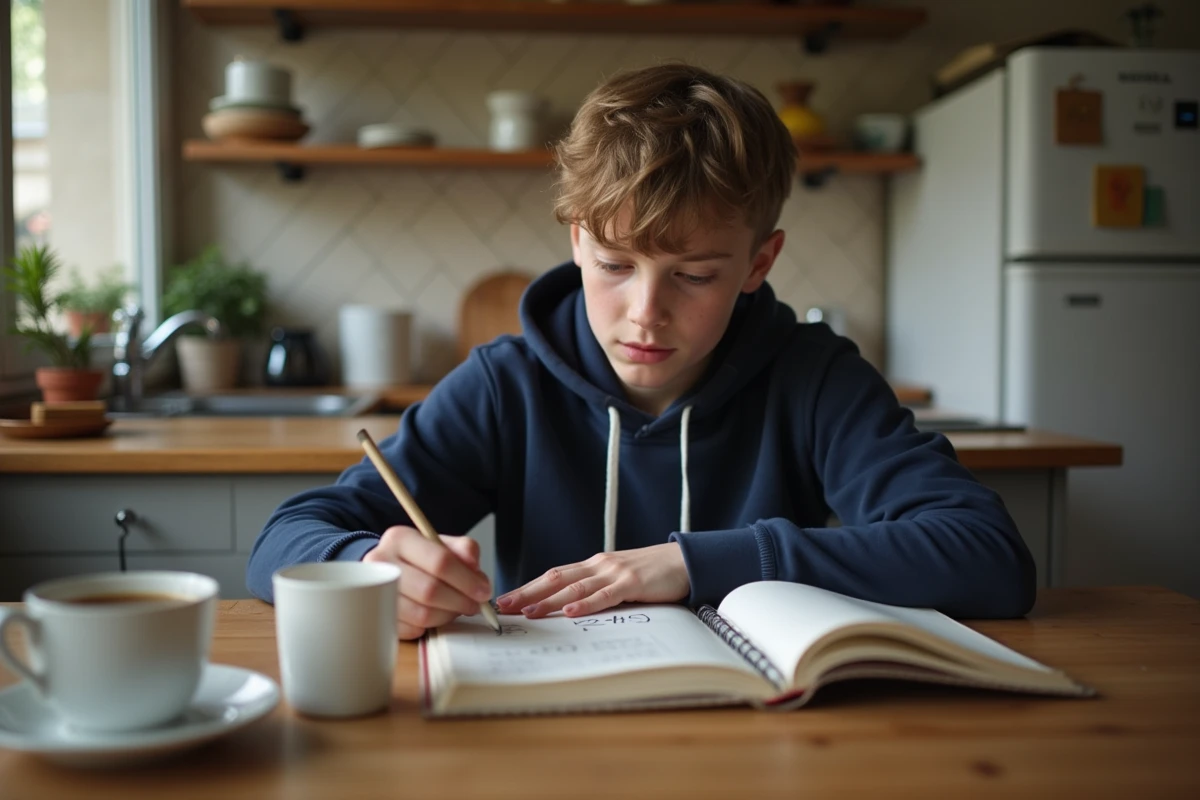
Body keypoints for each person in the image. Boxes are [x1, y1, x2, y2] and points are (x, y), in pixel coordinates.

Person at [247, 63, 1035, 640]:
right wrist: (371, 567)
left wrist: (693, 563)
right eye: (615, 266)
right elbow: (285, 539)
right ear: (577, 240)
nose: (645, 314)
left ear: (758, 263)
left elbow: (988, 556)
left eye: (694, 275)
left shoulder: (814, 379)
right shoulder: (505, 385)